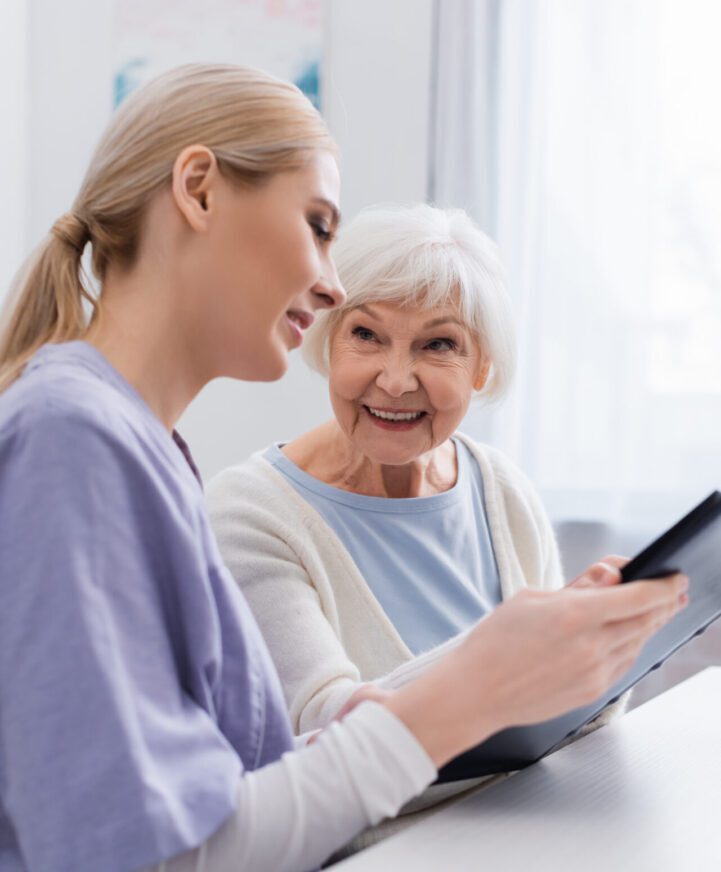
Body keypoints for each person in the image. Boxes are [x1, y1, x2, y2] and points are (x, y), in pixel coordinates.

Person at [0, 64, 688, 872]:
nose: (330, 285)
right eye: (319, 225)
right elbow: (150, 856)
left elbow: (227, 787)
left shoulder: (133, 446)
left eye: (436, 343)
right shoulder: (72, 440)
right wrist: (468, 689)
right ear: (199, 190)